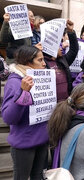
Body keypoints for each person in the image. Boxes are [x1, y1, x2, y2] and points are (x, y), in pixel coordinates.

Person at [1, 45, 48, 180]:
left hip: (42, 139)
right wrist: (24, 93)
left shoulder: (42, 79)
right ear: (28, 62)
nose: (44, 64)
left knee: (38, 177)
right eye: (40, 60)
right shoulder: (15, 83)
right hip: (24, 143)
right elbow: (9, 118)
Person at [43, 19, 79, 102]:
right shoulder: (42, 63)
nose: (61, 48)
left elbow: (74, 50)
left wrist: (71, 32)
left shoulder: (63, 60)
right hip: (51, 104)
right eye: (58, 46)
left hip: (65, 103)